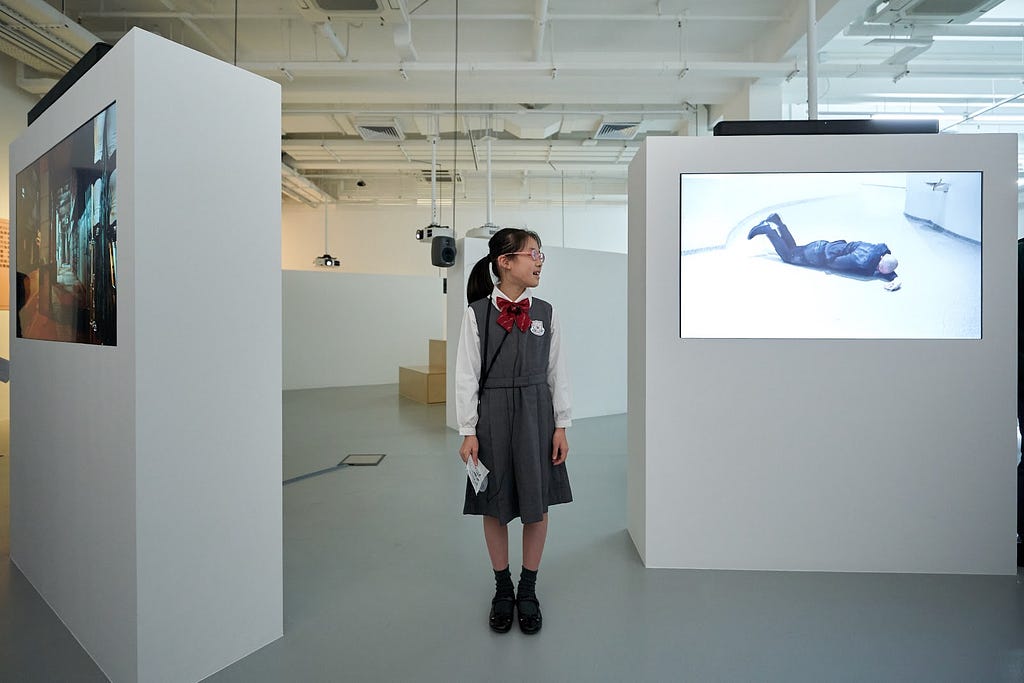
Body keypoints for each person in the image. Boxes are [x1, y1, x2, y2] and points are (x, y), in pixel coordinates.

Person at [455, 227, 572, 635]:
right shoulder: (477, 312)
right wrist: (468, 429)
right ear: (505, 262)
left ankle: (528, 588)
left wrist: (561, 424)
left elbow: (558, 372)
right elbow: (466, 376)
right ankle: (502, 587)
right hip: (494, 417)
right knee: (495, 502)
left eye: (541, 254)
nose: (539, 261)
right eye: (532, 253)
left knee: (536, 504)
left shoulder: (547, 312)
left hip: (537, 415)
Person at [747, 212, 902, 291]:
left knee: (793, 249)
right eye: (880, 270)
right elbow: (836, 263)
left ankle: (777, 221)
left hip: (823, 245)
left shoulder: (877, 250)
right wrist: (828, 268)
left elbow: (885, 266)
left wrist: (895, 279)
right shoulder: (863, 261)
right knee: (788, 256)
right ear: (880, 264)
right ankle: (768, 230)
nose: (879, 272)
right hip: (819, 255)